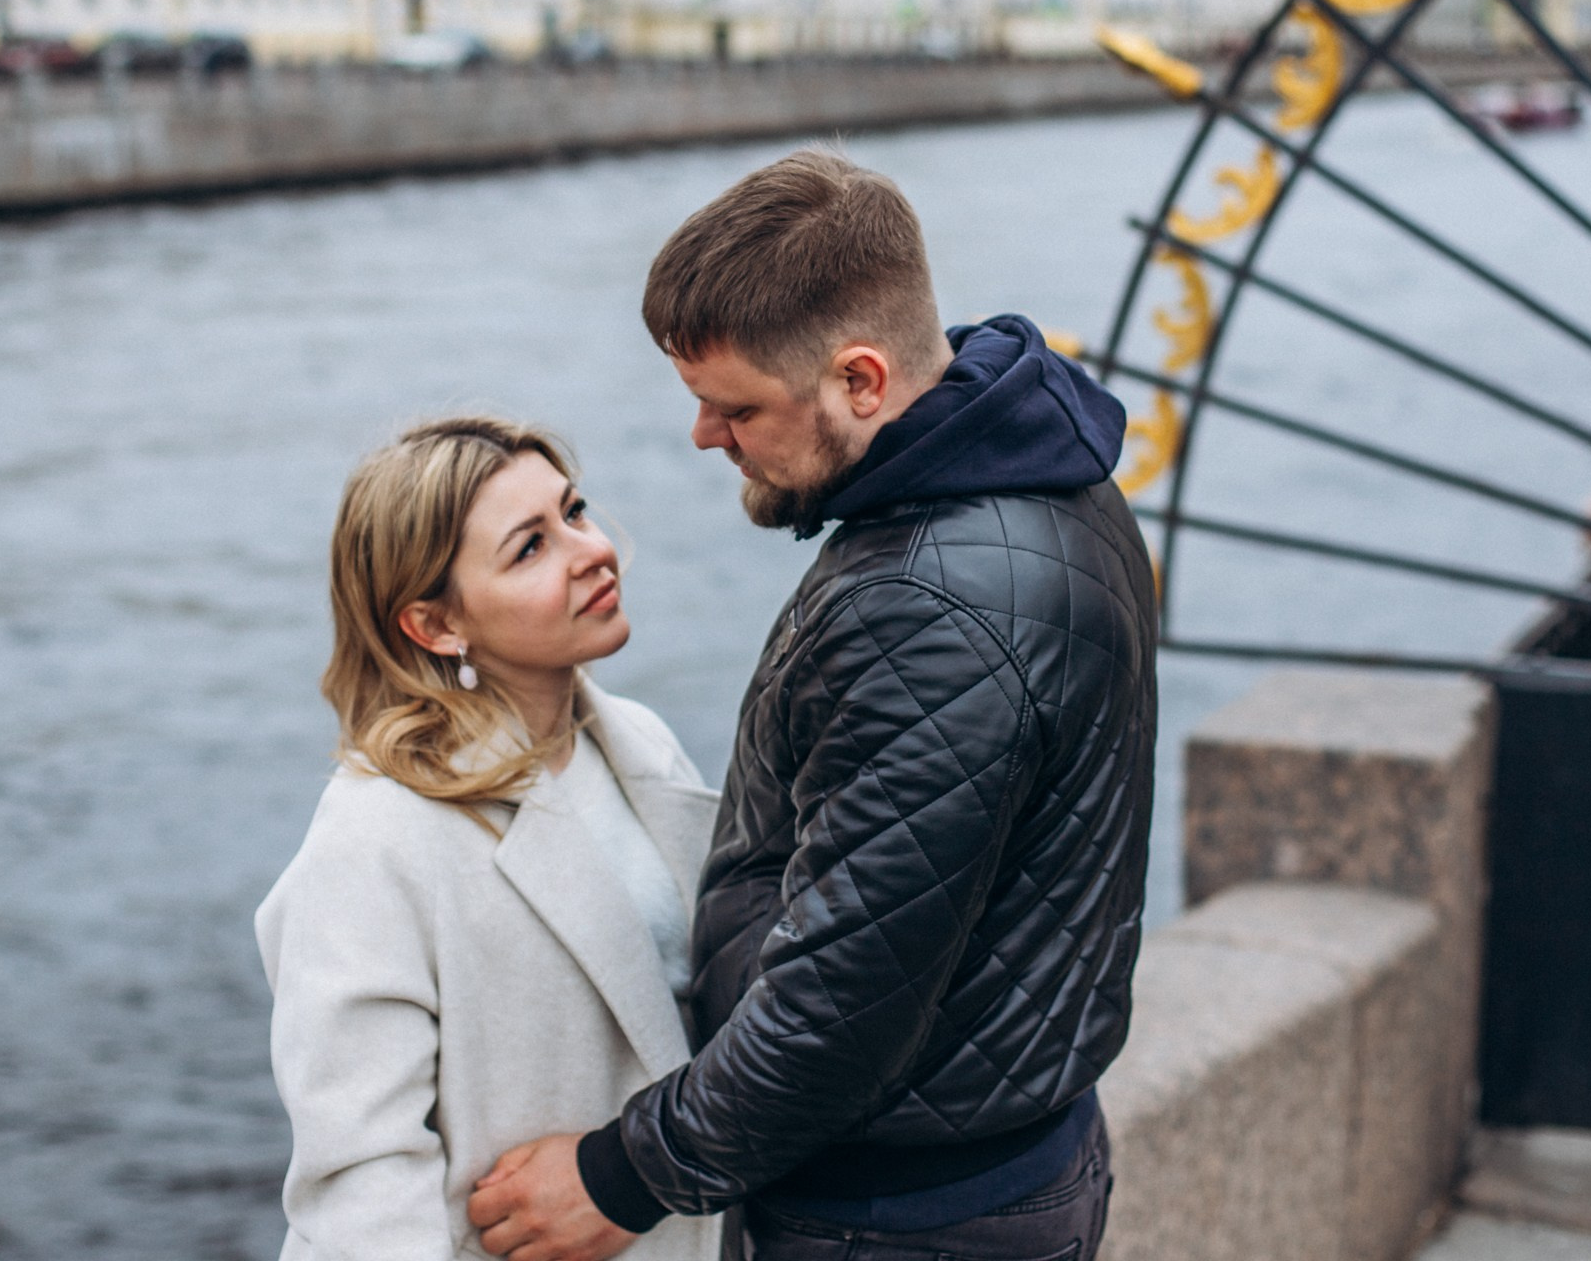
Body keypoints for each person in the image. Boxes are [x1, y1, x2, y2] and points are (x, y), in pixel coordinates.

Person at [468, 149, 1159, 1261]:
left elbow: (844, 999)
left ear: (863, 381)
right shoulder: (1051, 475)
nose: (705, 436)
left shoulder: (927, 607)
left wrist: (625, 1174)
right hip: (1003, 1158)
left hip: (900, 1218)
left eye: (735, 405)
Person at [256, 416, 723, 1261]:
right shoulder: (377, 832)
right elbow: (361, 1177)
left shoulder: (640, 744)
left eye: (574, 511)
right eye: (529, 549)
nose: (591, 550)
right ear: (435, 626)